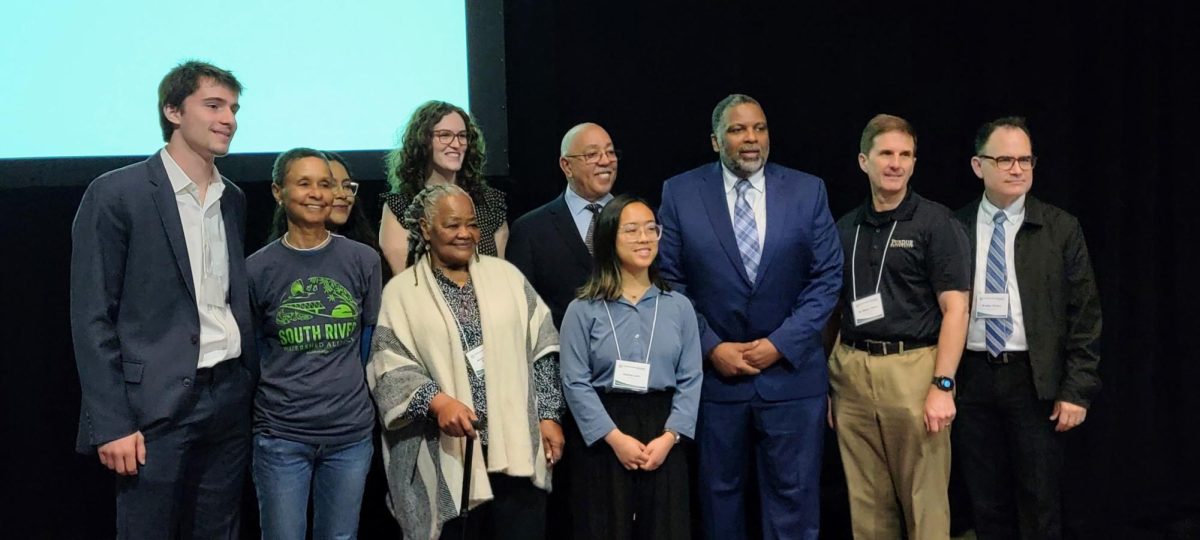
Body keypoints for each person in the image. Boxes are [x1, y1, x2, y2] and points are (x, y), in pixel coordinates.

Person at [69, 60, 256, 538]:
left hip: (229, 395)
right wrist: (110, 422)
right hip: (155, 406)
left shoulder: (231, 197)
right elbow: (92, 316)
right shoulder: (116, 194)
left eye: (234, 108)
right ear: (173, 110)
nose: (229, 119)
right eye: (213, 105)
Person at [658, 94, 843, 540]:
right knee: (720, 500)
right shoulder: (680, 192)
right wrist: (711, 346)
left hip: (792, 378)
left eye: (759, 128)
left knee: (794, 500)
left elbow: (827, 277)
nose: (751, 139)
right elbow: (668, 280)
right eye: (739, 130)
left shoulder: (807, 189)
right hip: (717, 381)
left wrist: (780, 343)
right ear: (715, 140)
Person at [367, 184, 565, 539]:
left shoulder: (508, 277)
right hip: (448, 454)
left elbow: (543, 347)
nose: (464, 234)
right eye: (452, 224)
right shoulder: (402, 293)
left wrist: (549, 416)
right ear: (426, 229)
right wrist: (437, 401)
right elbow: (389, 365)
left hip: (515, 448)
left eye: (472, 224)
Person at [954, 117, 1102, 540]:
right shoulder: (953, 226)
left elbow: (1085, 314)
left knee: (1039, 500)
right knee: (984, 499)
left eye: (1025, 159)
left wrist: (1078, 388)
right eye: (1004, 159)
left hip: (1034, 382)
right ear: (978, 166)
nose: (1017, 169)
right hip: (973, 379)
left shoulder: (1060, 227)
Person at [826, 114, 971, 539]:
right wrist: (829, 382)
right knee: (865, 503)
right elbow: (833, 309)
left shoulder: (936, 223)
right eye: (886, 153)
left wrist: (942, 385)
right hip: (851, 369)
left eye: (905, 154)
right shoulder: (845, 227)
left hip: (913, 369)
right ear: (863, 161)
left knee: (923, 502)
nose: (896, 163)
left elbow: (956, 309)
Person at [247, 148, 382, 539]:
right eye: (304, 183)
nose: (317, 193)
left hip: (349, 436)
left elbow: (368, 343)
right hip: (281, 436)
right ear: (278, 191)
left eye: (325, 184)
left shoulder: (363, 260)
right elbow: (254, 351)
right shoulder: (256, 269)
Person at [559, 194, 702, 540]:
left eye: (652, 229)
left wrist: (670, 437)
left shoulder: (679, 306)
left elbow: (691, 377)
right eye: (632, 230)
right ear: (609, 238)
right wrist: (615, 439)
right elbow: (574, 381)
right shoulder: (583, 309)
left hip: (663, 427)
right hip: (606, 430)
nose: (645, 238)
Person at [508, 122, 619, 328]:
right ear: (566, 165)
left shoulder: (636, 220)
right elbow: (521, 311)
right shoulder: (530, 230)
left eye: (610, 152)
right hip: (560, 353)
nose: (605, 161)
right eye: (592, 155)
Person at [378, 101, 508, 274]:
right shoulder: (400, 206)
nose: (456, 144)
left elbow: (497, 275)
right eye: (445, 135)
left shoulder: (490, 203)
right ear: (423, 141)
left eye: (462, 136)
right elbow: (406, 282)